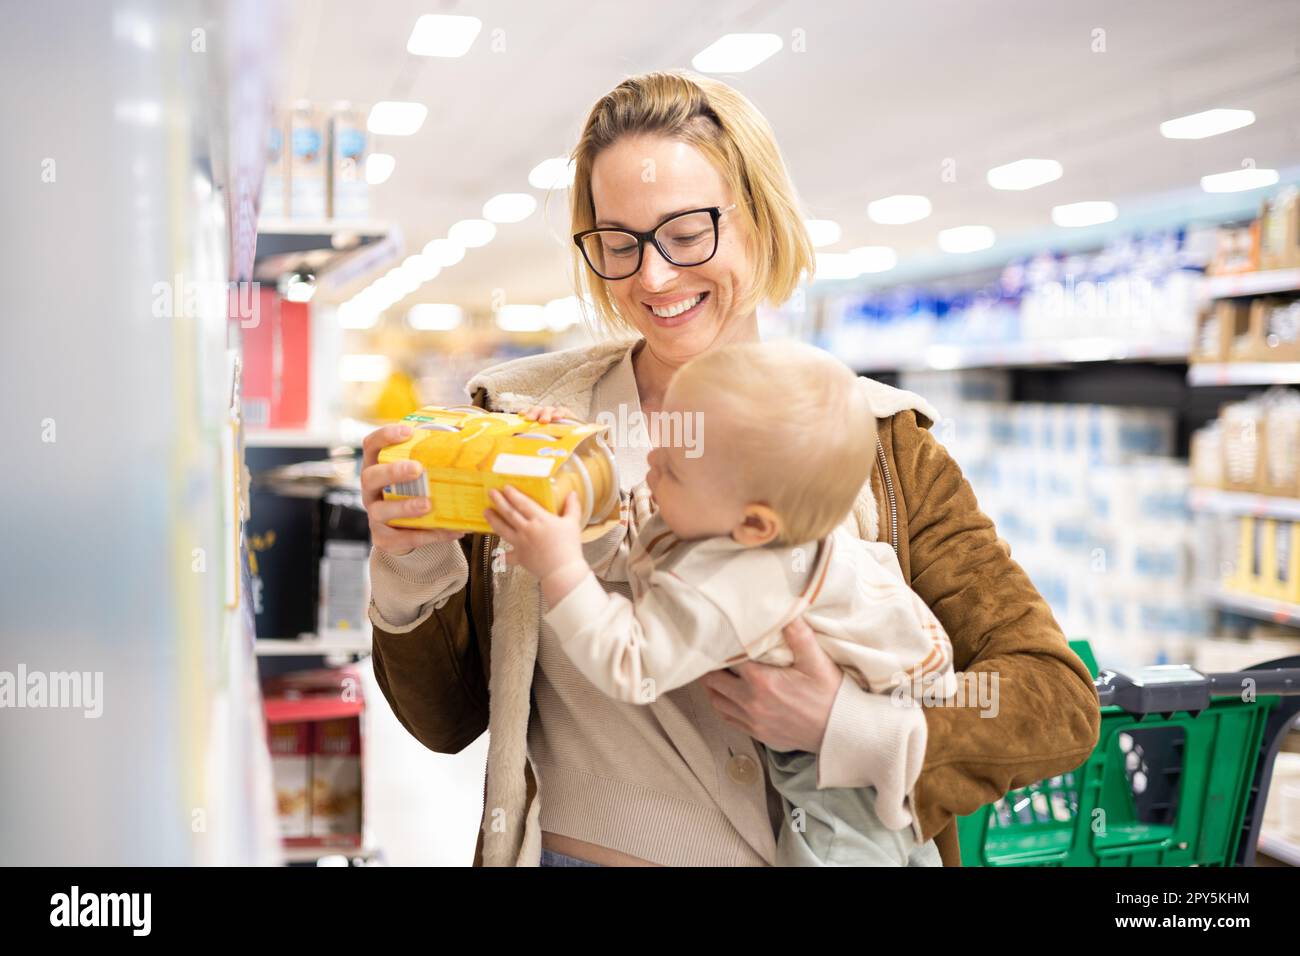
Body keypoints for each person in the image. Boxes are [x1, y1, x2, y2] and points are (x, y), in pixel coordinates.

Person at [361, 69, 1101, 867]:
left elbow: (1055, 704)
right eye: (619, 244)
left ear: (761, 218)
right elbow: (447, 721)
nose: (652, 277)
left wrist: (842, 727)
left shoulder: (878, 443)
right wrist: (411, 558)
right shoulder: (528, 433)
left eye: (686, 235)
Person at [483, 341, 956, 867]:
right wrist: (575, 464)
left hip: (847, 785)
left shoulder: (745, 579)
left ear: (754, 526)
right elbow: (630, 558)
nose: (651, 464)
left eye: (674, 469)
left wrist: (558, 567)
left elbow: (631, 661)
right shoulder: (731, 516)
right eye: (664, 442)